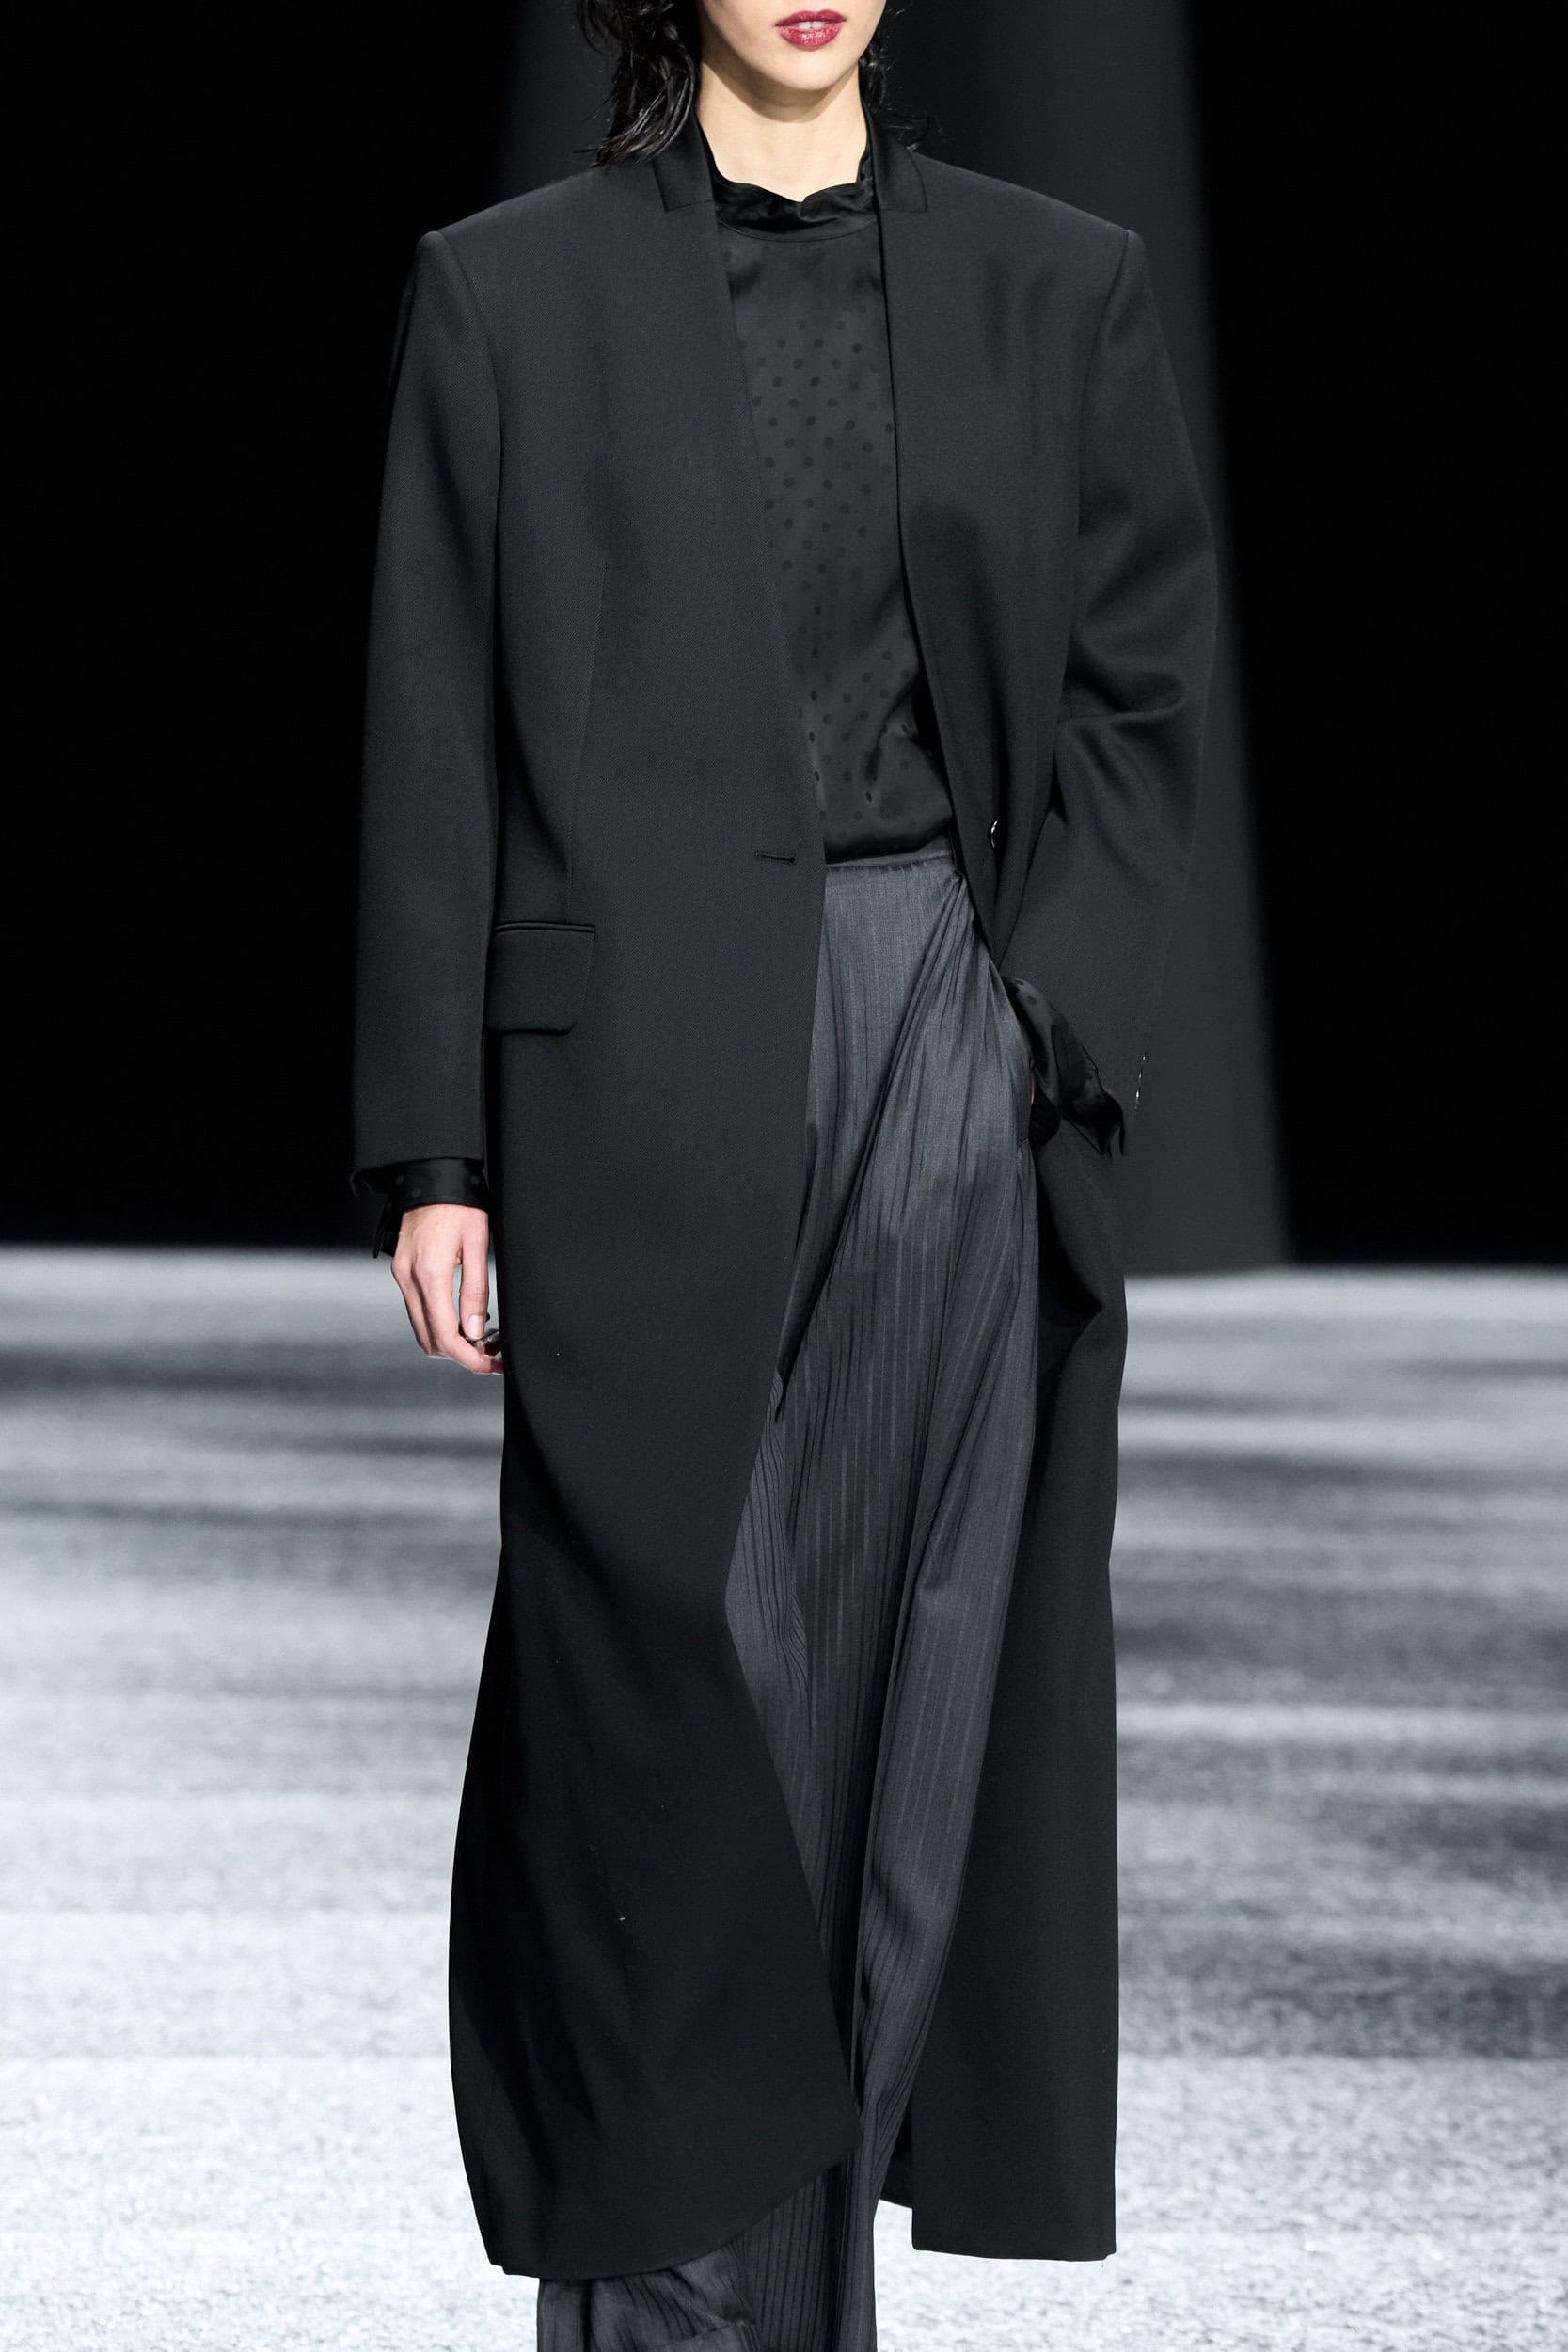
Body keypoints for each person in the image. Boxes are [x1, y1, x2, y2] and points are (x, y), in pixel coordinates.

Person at [352, 3, 1216, 2345]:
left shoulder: (1059, 285)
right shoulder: (506, 291)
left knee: (900, 1702)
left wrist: (1039, 1015)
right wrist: (434, 1143)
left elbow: (1142, 688)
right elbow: (432, 720)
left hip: (944, 1026)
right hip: (628, 1084)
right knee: (662, 1719)